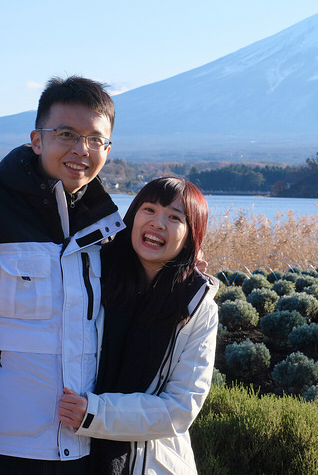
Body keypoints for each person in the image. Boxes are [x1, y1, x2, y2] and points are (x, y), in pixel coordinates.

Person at [0, 76, 123, 475]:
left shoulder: (108, 228)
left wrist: (184, 271)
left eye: (94, 139)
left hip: (82, 451)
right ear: (37, 140)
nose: (80, 150)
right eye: (66, 134)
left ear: (107, 148)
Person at [57, 177, 219, 475]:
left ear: (191, 234)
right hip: (68, 453)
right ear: (132, 217)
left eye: (174, 217)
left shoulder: (196, 305)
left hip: (152, 465)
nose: (158, 223)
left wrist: (96, 413)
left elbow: (181, 409)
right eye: (149, 210)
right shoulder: (92, 275)